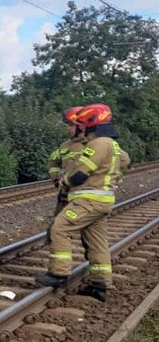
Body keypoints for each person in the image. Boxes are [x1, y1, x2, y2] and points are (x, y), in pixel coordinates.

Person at [36, 103, 130, 302]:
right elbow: (121, 163)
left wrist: (65, 181)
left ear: (90, 124)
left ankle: (59, 274)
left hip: (89, 200)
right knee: (96, 242)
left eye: (80, 124)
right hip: (100, 199)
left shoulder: (97, 144)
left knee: (60, 228)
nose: (78, 128)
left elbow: (79, 174)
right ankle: (100, 284)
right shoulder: (110, 144)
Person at [47, 107, 86, 233]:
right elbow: (53, 161)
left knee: (88, 235)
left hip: (84, 197)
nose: (67, 128)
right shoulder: (65, 146)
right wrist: (56, 179)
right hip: (65, 196)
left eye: (70, 125)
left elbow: (121, 160)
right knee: (56, 230)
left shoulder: (95, 143)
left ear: (80, 125)